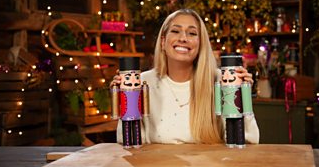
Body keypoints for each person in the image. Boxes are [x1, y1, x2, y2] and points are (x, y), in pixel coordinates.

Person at [110, 8, 259, 145]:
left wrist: (242, 96)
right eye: (175, 31)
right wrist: (122, 99)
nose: (183, 38)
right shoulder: (142, 82)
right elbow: (129, 145)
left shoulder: (220, 80)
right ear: (163, 42)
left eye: (192, 33)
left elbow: (248, 141)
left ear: (200, 44)